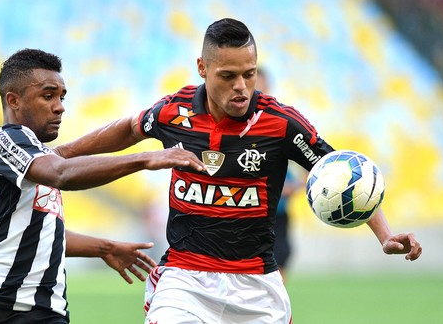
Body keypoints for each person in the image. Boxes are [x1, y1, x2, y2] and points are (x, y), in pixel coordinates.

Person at [56, 18, 423, 324]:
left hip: (257, 284)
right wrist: (61, 153)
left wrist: (385, 235)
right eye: (228, 76)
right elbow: (130, 127)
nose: (241, 87)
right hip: (186, 278)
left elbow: (342, 174)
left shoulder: (281, 122)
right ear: (202, 68)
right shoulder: (175, 111)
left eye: (248, 74)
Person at [0, 48, 206, 324]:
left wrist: (105, 248)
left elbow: (42, 232)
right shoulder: (2, 140)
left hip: (45, 310)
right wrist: (146, 158)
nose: (60, 106)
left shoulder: (36, 155)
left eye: (62, 97)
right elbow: (61, 173)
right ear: (13, 100)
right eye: (48, 95)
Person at [255, 67, 304, 280]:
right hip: (251, 213)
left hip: (279, 214)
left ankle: (274, 304)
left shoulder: (281, 123)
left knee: (280, 258)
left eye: (261, 86)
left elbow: (309, 167)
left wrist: (295, 186)